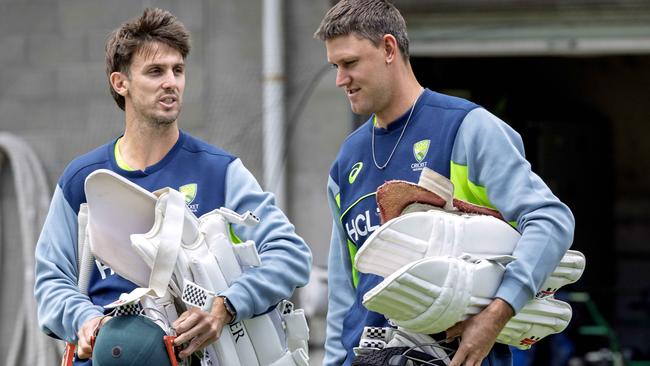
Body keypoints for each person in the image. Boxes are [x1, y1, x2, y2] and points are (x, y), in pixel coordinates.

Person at [34, 8, 312, 365]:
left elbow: (290, 255)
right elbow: (50, 280)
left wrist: (225, 305)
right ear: (121, 83)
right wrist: (84, 319)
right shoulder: (83, 181)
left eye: (177, 70)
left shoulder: (220, 171)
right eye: (155, 71)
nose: (171, 82)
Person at [313, 1, 575, 365]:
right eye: (335, 67)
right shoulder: (347, 159)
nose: (341, 79)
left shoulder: (467, 129)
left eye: (350, 63)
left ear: (389, 49)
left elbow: (551, 220)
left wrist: (497, 312)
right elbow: (345, 287)